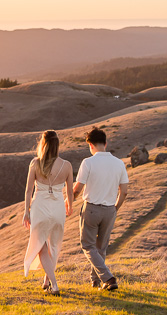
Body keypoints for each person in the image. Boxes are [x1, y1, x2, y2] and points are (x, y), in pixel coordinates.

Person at [72, 125, 129, 290]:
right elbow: (124, 192)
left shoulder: (88, 162)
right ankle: (96, 281)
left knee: (88, 246)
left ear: (90, 145)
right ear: (106, 143)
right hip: (110, 209)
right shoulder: (119, 163)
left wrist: (68, 203)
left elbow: (77, 189)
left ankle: (109, 278)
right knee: (101, 247)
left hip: (91, 208)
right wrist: (115, 208)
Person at [22, 129, 73, 295]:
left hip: (40, 208)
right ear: (57, 145)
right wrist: (70, 206)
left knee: (42, 247)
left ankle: (54, 285)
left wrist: (26, 211)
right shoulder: (66, 165)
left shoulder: (35, 163)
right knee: (54, 246)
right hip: (58, 209)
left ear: (43, 144)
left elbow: (29, 190)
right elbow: (70, 192)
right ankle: (46, 281)